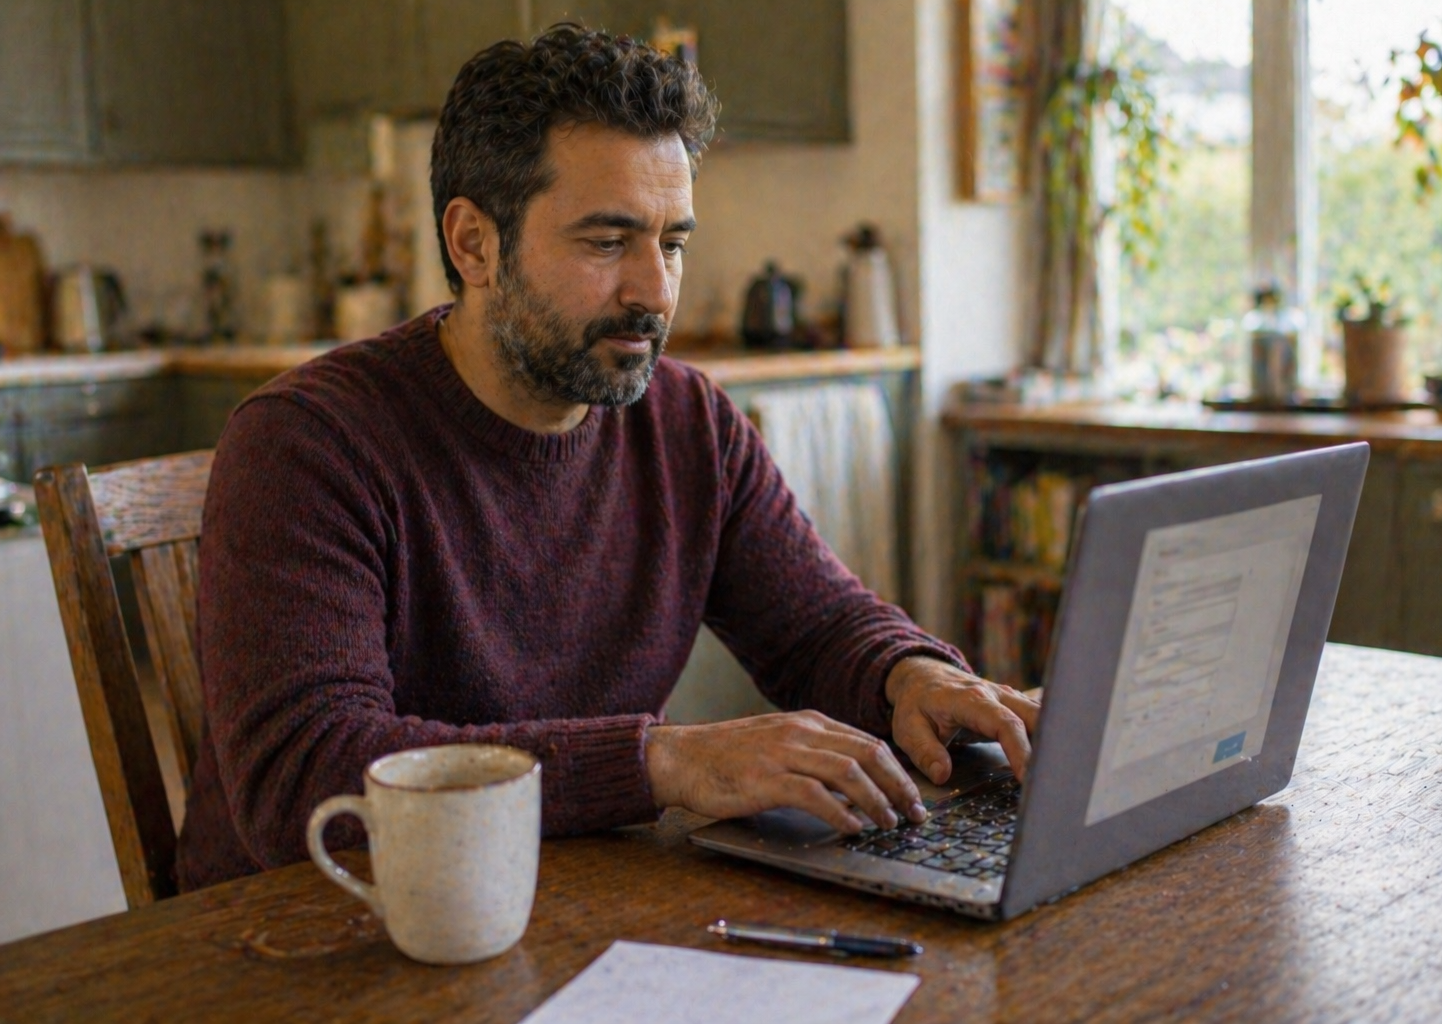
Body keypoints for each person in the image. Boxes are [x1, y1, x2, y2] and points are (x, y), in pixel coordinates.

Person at [176, 24, 1039, 891]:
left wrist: (907, 675)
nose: (655, 292)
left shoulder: (689, 423)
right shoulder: (306, 444)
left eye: (671, 244)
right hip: (314, 941)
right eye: (605, 242)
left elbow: (817, 625)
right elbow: (304, 778)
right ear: (473, 244)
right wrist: (662, 763)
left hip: (568, 906)